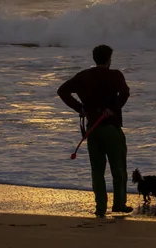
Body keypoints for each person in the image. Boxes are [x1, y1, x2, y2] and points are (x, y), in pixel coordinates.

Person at [57, 45, 132, 217]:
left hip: (93, 129)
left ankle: (100, 208)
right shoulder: (115, 75)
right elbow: (125, 93)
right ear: (108, 59)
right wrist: (113, 108)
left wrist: (80, 108)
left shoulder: (84, 76)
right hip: (111, 128)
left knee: (97, 171)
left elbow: (62, 91)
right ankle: (119, 204)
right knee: (118, 168)